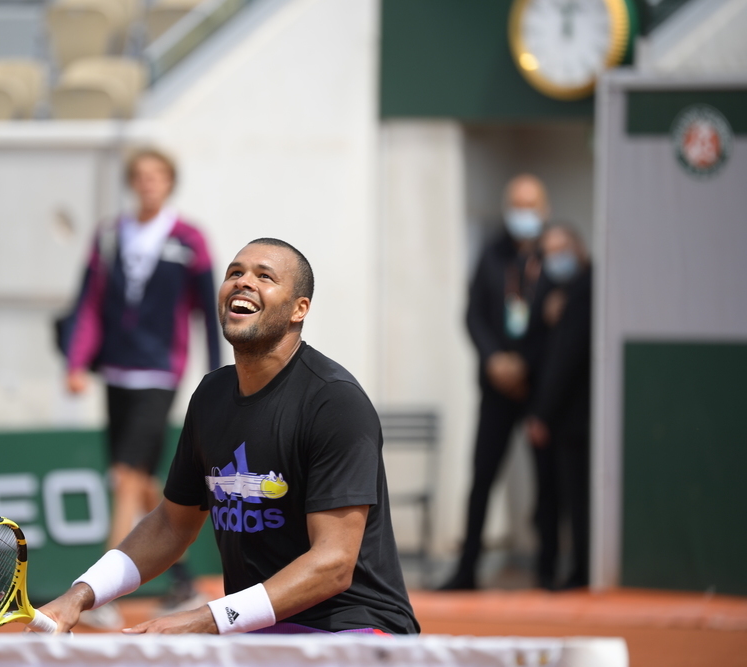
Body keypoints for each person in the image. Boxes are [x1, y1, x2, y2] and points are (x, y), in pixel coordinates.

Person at [42, 238, 419, 635]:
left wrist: (206, 620)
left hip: (353, 630)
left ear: (299, 309)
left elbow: (333, 564)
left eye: (264, 276)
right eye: (235, 273)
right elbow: (171, 525)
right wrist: (80, 594)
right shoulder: (211, 395)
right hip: (259, 633)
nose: (244, 282)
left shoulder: (334, 401)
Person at [63, 147, 221, 622]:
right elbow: (87, 302)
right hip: (116, 370)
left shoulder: (190, 239)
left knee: (127, 477)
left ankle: (99, 595)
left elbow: (209, 312)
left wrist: (219, 374)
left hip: (161, 371)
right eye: (141, 175)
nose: (149, 183)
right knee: (141, 481)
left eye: (158, 175)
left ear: (170, 182)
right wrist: (76, 362)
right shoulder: (109, 234)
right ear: (132, 182)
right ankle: (184, 581)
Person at [439, 173, 556, 591]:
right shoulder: (492, 253)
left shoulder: (553, 256)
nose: (523, 213)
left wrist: (525, 364)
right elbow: (473, 314)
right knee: (482, 476)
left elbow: (558, 322)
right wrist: (494, 360)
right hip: (496, 385)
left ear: (544, 209)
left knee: (549, 478)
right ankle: (467, 568)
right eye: (516, 205)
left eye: (530, 205)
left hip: (541, 388)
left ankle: (548, 569)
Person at [525, 224, 592, 590]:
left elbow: (566, 358)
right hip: (557, 415)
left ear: (578, 247)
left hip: (573, 416)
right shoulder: (552, 293)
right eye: (548, 252)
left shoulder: (586, 289)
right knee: (551, 496)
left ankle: (581, 571)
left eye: (561, 249)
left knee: (577, 498)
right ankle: (552, 568)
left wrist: (542, 413)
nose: (556, 259)